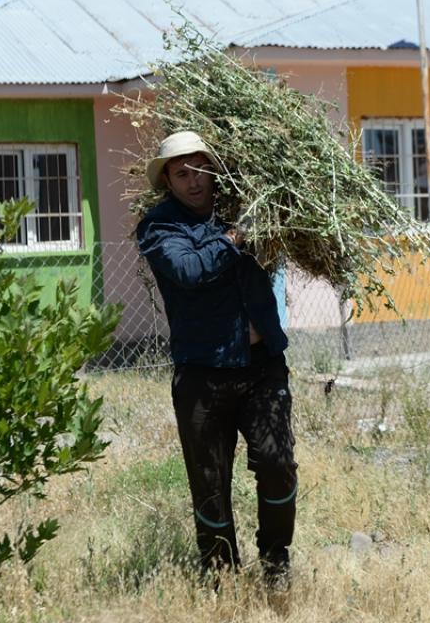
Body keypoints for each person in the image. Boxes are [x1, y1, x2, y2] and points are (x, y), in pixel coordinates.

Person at [136, 130, 296, 589]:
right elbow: (188, 269)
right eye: (181, 174)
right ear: (167, 181)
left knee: (277, 462)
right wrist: (235, 237)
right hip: (202, 373)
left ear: (214, 171)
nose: (194, 181)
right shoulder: (158, 227)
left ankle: (275, 560)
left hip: (262, 365)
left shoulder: (244, 207)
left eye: (200, 169)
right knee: (209, 481)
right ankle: (221, 575)